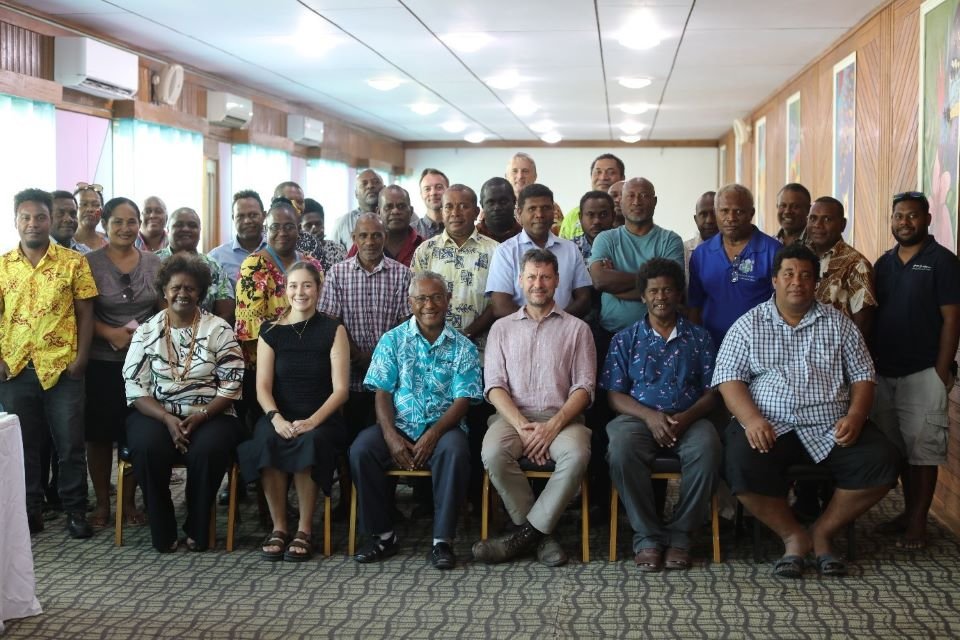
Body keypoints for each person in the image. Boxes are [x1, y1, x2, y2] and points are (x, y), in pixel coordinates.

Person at [715, 243, 899, 578]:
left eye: (805, 275)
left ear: (816, 282)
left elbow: (863, 376)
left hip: (831, 425)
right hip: (771, 424)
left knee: (882, 459)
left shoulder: (840, 324)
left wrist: (856, 416)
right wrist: (751, 419)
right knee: (739, 462)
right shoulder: (748, 325)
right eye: (788, 274)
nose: (796, 282)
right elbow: (729, 379)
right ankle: (793, 536)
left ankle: (822, 533)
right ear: (775, 280)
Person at [473, 249, 596, 567]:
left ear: (557, 281)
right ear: (520, 280)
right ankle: (542, 536)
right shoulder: (501, 328)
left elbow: (584, 388)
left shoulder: (578, 329)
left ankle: (524, 535)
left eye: (545, 277)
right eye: (531, 277)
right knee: (493, 453)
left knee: (576, 455)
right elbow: (494, 386)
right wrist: (523, 427)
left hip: (563, 420)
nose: (538, 284)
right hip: (511, 419)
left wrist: (551, 427)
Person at [351, 272, 481, 569]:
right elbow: (382, 391)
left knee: (455, 451)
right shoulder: (392, 340)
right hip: (399, 425)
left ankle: (442, 541)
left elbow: (463, 399)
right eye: (421, 298)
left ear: (448, 301)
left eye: (436, 297)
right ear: (410, 302)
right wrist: (390, 435)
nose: (429, 305)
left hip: (444, 428)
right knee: (362, 450)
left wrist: (433, 434)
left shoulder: (463, 346)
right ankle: (382, 536)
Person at [601, 258, 720, 571]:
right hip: (638, 419)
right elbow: (614, 395)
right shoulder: (625, 339)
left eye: (668, 290)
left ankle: (681, 536)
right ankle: (648, 537)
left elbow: (712, 393)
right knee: (620, 448)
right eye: (653, 291)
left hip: (689, 419)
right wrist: (649, 417)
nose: (661, 297)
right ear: (643, 296)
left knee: (708, 447)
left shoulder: (700, 338)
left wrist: (686, 418)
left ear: (679, 294)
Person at [123, 255, 243, 552]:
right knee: (147, 447)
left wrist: (202, 416)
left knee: (208, 450)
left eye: (190, 288)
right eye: (176, 287)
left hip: (212, 413)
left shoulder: (219, 329)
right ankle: (163, 527)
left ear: (200, 293)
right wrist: (166, 419)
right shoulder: (146, 331)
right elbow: (135, 386)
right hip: (156, 413)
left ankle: (198, 527)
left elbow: (232, 384)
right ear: (164, 291)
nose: (182, 293)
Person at [0, 188, 97, 538]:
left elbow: (86, 314)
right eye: (26, 217)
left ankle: (75, 511)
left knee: (70, 445)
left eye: (40, 217)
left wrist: (81, 359)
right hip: (15, 370)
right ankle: (30, 511)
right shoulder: (3, 265)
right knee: (23, 446)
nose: (33, 223)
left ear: (49, 220)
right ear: (16, 221)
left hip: (63, 369)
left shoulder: (73, 262)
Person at [238, 262, 350, 562]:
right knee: (267, 439)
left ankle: (304, 529)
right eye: (293, 286)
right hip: (279, 414)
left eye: (307, 285)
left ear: (319, 289)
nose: (300, 292)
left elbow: (341, 390)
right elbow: (262, 388)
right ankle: (279, 527)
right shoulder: (270, 331)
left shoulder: (333, 329)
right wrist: (276, 418)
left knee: (309, 442)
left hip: (321, 417)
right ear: (284, 290)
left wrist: (312, 421)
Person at [871, 191, 960, 550]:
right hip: (885, 373)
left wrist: (940, 371)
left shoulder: (943, 262)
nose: (904, 222)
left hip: (924, 372)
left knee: (923, 452)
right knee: (900, 450)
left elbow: (952, 319)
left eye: (912, 216)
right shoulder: (883, 263)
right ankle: (908, 513)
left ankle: (919, 524)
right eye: (898, 216)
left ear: (927, 219)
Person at [85, 196, 163, 529]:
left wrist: (140, 336)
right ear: (105, 224)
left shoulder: (154, 263)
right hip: (102, 361)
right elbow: (79, 314)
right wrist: (110, 333)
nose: (125, 228)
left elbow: (163, 311)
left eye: (132, 221)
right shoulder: (88, 263)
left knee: (136, 431)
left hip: (145, 363)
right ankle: (103, 503)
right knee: (100, 435)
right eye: (117, 221)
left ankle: (129, 503)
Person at [318, 213, 412, 432]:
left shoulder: (402, 274)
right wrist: (358, 355)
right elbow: (331, 320)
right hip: (350, 374)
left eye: (377, 235)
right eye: (364, 235)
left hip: (390, 375)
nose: (370, 242)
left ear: (385, 236)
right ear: (354, 238)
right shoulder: (337, 274)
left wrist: (379, 358)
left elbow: (405, 323)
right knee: (350, 435)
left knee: (386, 434)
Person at [234, 200, 323, 430]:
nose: (282, 232)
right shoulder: (254, 265)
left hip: (308, 361)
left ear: (299, 229)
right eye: (275, 226)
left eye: (289, 226)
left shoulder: (312, 264)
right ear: (266, 229)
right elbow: (250, 327)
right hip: (265, 366)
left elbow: (319, 313)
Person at [688, 184, 782, 349]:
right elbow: (695, 306)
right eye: (724, 211)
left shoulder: (773, 251)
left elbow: (783, 306)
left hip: (760, 348)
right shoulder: (701, 254)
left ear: (751, 213)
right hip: (712, 347)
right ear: (716, 212)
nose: (731, 218)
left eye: (738, 211)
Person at [589, 177, 685, 337]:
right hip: (610, 334)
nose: (636, 202)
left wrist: (615, 288)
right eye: (630, 196)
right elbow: (599, 281)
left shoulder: (670, 240)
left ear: (654, 201)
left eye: (644, 195)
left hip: (660, 334)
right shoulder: (606, 239)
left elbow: (671, 288)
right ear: (620, 202)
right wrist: (652, 285)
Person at [486, 184, 592, 319]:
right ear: (519, 214)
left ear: (553, 211)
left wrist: (558, 323)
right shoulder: (505, 252)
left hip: (564, 328)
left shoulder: (570, 249)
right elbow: (500, 306)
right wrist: (540, 325)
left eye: (546, 208)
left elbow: (584, 299)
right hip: (520, 329)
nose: (540, 215)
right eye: (532, 209)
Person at [805, 196, 877, 338]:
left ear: (843, 224)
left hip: (836, 349)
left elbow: (863, 324)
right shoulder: (799, 256)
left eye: (827, 219)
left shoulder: (856, 264)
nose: (818, 225)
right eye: (813, 218)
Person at [156, 207, 234, 322]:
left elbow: (226, 311)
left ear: (200, 231)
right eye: (179, 225)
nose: (186, 229)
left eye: (192, 225)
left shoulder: (213, 265)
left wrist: (207, 331)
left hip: (208, 331)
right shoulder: (153, 262)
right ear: (167, 230)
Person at [347, 186, 423, 267]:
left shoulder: (423, 246)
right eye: (388, 207)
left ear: (411, 211)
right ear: (378, 212)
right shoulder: (363, 244)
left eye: (401, 206)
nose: (395, 211)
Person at [208, 190, 267, 292]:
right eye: (240, 216)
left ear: (264, 215)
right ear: (233, 218)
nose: (247, 221)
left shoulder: (277, 251)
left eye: (253, 215)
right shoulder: (216, 258)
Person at [559, 154, 625, 239]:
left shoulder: (629, 212)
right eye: (598, 172)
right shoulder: (573, 216)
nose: (603, 177)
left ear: (622, 178)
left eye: (611, 172)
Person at [331, 169, 384, 249]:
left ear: (384, 188)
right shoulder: (343, 223)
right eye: (364, 184)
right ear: (356, 194)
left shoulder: (395, 219)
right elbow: (333, 254)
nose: (370, 186)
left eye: (376, 182)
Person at [300, 197, 346, 273]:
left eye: (318, 224)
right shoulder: (296, 252)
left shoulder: (337, 250)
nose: (314, 229)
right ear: (300, 228)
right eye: (308, 225)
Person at [572, 191, 615, 265]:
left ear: (613, 216)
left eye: (603, 215)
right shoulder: (570, 249)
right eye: (590, 215)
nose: (597, 221)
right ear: (580, 217)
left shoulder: (625, 246)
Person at [683, 191, 718, 278]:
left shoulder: (737, 250)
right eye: (703, 215)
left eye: (714, 214)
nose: (709, 220)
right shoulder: (684, 251)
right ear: (696, 219)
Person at [478, 177, 522, 243]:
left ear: (514, 201)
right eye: (491, 202)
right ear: (482, 204)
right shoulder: (470, 237)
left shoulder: (526, 236)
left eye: (503, 201)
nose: (497, 208)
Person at [415, 168, 448, 240]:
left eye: (439, 187)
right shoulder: (411, 232)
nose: (433, 193)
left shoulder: (461, 229)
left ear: (448, 191)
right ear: (421, 194)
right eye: (427, 189)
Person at [73, 182, 108, 250]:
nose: (90, 209)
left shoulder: (110, 242)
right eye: (84, 204)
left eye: (96, 205)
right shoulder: (64, 244)